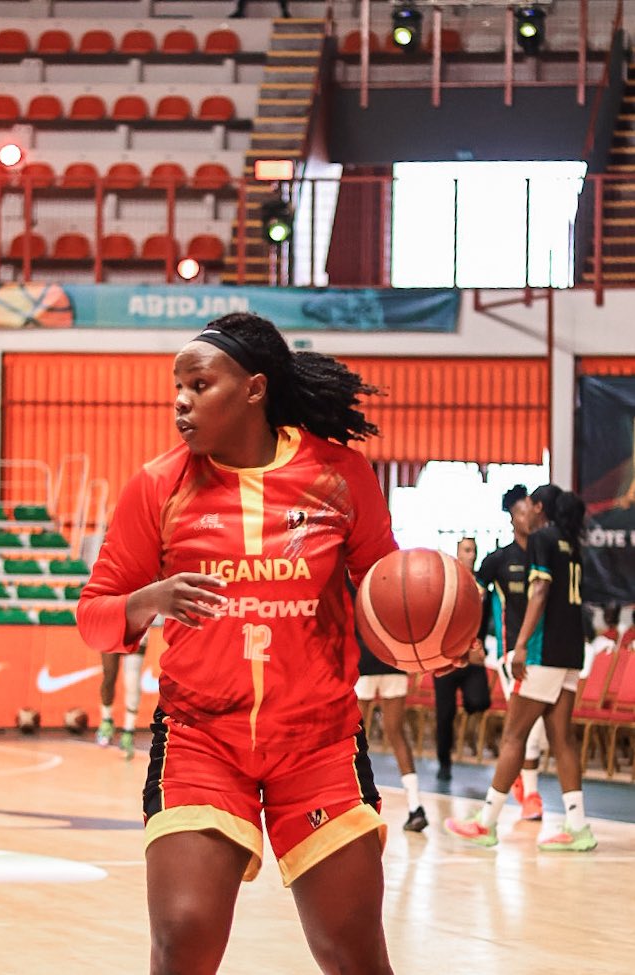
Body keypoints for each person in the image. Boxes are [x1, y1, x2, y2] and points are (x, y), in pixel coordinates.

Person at [78, 312, 398, 974]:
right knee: (184, 938)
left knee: (353, 953)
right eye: (177, 387)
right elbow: (93, 617)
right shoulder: (157, 486)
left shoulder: (340, 476)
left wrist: (433, 634)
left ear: (254, 388)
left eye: (199, 385)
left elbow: (385, 593)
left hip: (318, 742)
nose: (181, 401)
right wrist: (150, 599)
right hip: (201, 739)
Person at [445, 484, 598, 852]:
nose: (525, 509)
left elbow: (540, 593)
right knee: (562, 739)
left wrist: (523, 644)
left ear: (539, 507)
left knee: (514, 736)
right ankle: (578, 826)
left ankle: (485, 822)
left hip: (542, 653)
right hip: (571, 653)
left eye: (529, 503)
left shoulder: (543, 538)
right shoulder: (572, 542)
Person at [476, 484, 548, 821]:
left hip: (544, 654)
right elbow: (474, 600)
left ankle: (519, 776)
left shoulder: (545, 554)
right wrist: (472, 640)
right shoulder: (498, 560)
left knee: (535, 728)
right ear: (511, 518)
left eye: (530, 511)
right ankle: (531, 795)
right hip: (512, 655)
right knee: (528, 728)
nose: (527, 518)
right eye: (521, 512)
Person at [354, 619, 428, 832]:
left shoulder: (353, 594)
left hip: (363, 659)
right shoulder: (399, 592)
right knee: (396, 734)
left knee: (354, 733)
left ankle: (357, 804)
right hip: (394, 660)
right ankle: (415, 806)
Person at [433, 536, 490, 781]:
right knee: (444, 714)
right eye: (466, 550)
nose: (471, 555)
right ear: (457, 553)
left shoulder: (482, 587)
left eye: (473, 550)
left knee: (479, 701)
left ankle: (468, 709)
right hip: (446, 659)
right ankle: (444, 763)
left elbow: (486, 621)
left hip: (472, 657)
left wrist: (481, 647)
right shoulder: (446, 583)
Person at [96, 628, 148, 759]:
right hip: (112, 626)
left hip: (136, 625)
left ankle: (128, 731)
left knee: (132, 680)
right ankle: (106, 721)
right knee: (109, 675)